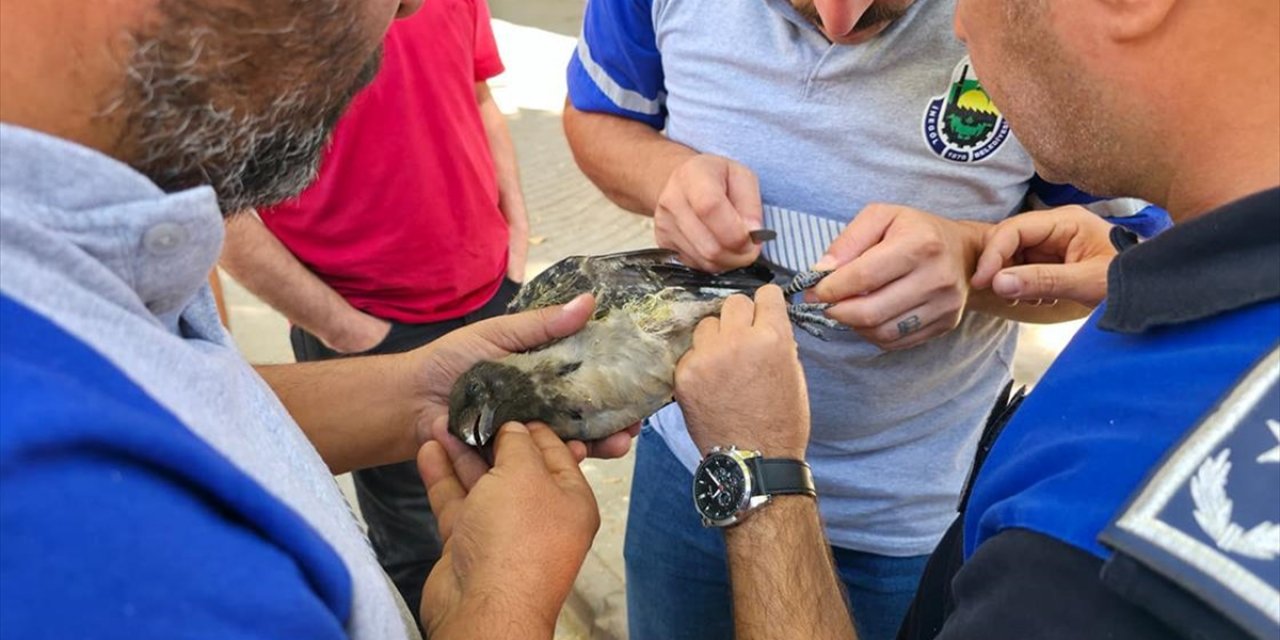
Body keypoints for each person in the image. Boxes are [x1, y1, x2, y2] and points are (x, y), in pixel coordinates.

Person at [0, 1, 634, 638]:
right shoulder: (72, 523)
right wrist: (506, 602)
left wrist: (418, 394)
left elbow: (169, 402)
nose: (409, 7)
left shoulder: (83, 248)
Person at [561, 0, 1168, 637]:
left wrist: (974, 265)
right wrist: (665, 178)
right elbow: (597, 117)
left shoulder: (1045, 20)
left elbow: (1122, 264)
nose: (839, 21)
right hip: (689, 461)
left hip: (904, 521)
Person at [217, 0, 526, 622]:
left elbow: (479, 97)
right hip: (367, 326)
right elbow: (216, 202)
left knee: (514, 500)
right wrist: (343, 327)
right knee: (421, 549)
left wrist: (516, 233)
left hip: (494, 295)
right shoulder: (240, 17)